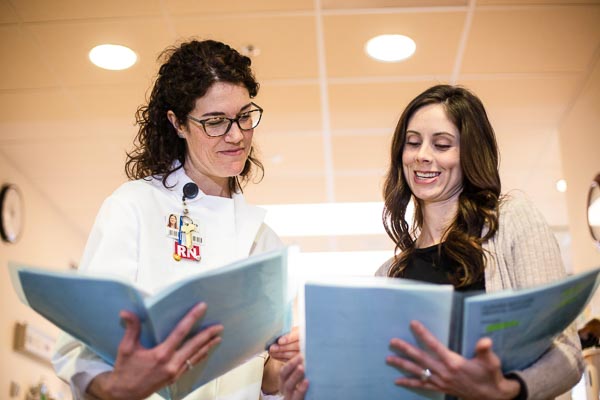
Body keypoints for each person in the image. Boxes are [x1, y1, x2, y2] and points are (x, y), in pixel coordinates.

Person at [279, 84, 584, 400]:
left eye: (442, 144)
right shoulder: (389, 275)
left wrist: (507, 390)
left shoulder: (510, 221)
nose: (422, 156)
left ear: (470, 154)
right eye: (413, 143)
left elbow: (568, 352)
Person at [52, 39, 290, 400]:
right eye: (215, 122)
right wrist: (114, 388)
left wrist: (276, 375)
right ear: (177, 123)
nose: (237, 134)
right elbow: (81, 352)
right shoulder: (134, 207)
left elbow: (265, 381)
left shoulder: (265, 240)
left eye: (244, 116)